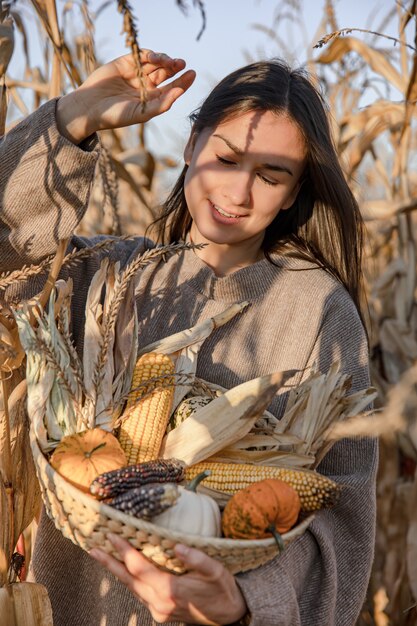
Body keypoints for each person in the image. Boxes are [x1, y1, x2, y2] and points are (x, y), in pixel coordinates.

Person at [1, 50, 377, 626]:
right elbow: (8, 265)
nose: (239, 193)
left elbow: (341, 514)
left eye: (271, 175)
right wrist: (71, 118)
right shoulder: (111, 275)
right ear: (191, 144)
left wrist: (244, 602)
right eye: (226, 157)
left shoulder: (319, 310)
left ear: (295, 191)